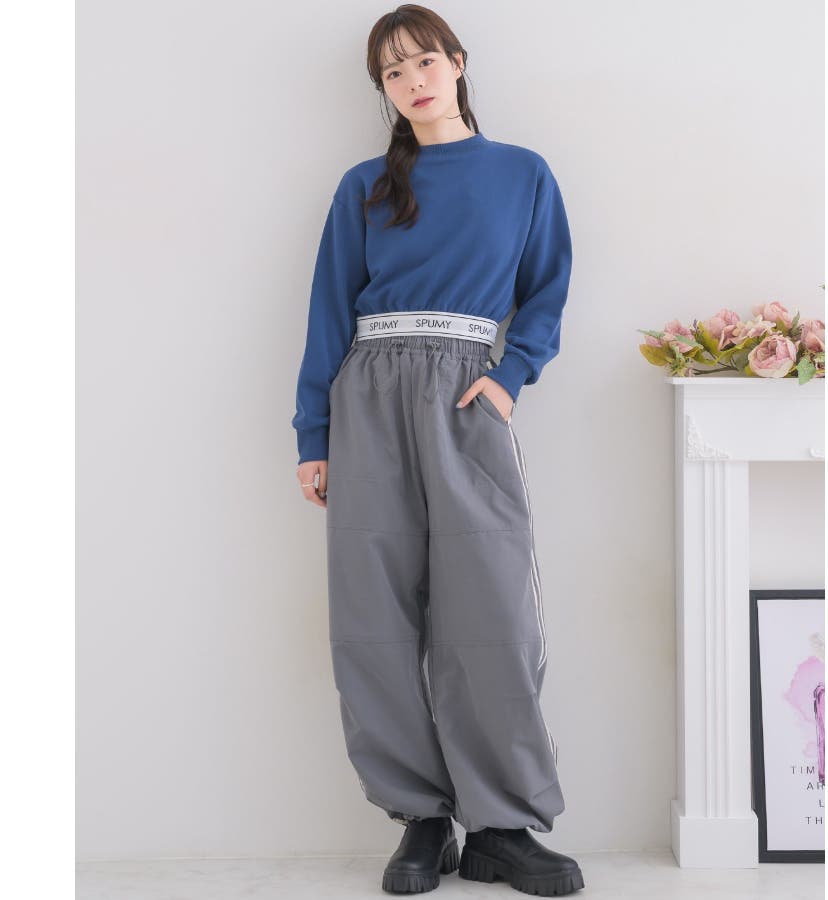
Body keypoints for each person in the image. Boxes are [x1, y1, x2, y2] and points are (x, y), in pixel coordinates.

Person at [292, 5, 584, 895]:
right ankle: (421, 818)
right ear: (383, 90)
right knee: (374, 614)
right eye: (392, 72)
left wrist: (510, 377)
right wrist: (315, 434)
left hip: (467, 392)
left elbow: (547, 288)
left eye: (423, 61)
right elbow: (328, 311)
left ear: (457, 61)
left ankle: (502, 824)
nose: (412, 81)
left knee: (491, 609)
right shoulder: (366, 186)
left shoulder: (521, 173)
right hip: (368, 397)